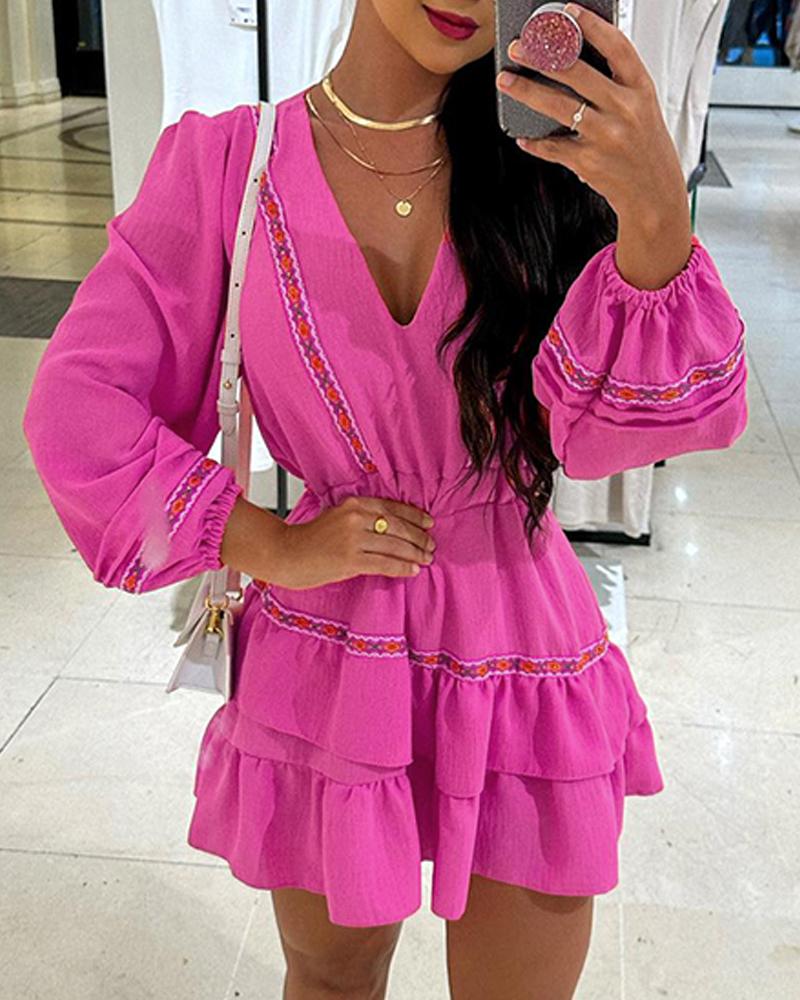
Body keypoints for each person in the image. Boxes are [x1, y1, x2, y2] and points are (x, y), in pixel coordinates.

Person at [22, 2, 748, 997]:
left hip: (521, 649)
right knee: (330, 981)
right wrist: (262, 541)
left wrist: (656, 213)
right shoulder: (228, 167)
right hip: (328, 652)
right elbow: (77, 407)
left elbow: (618, 434)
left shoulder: (550, 169)